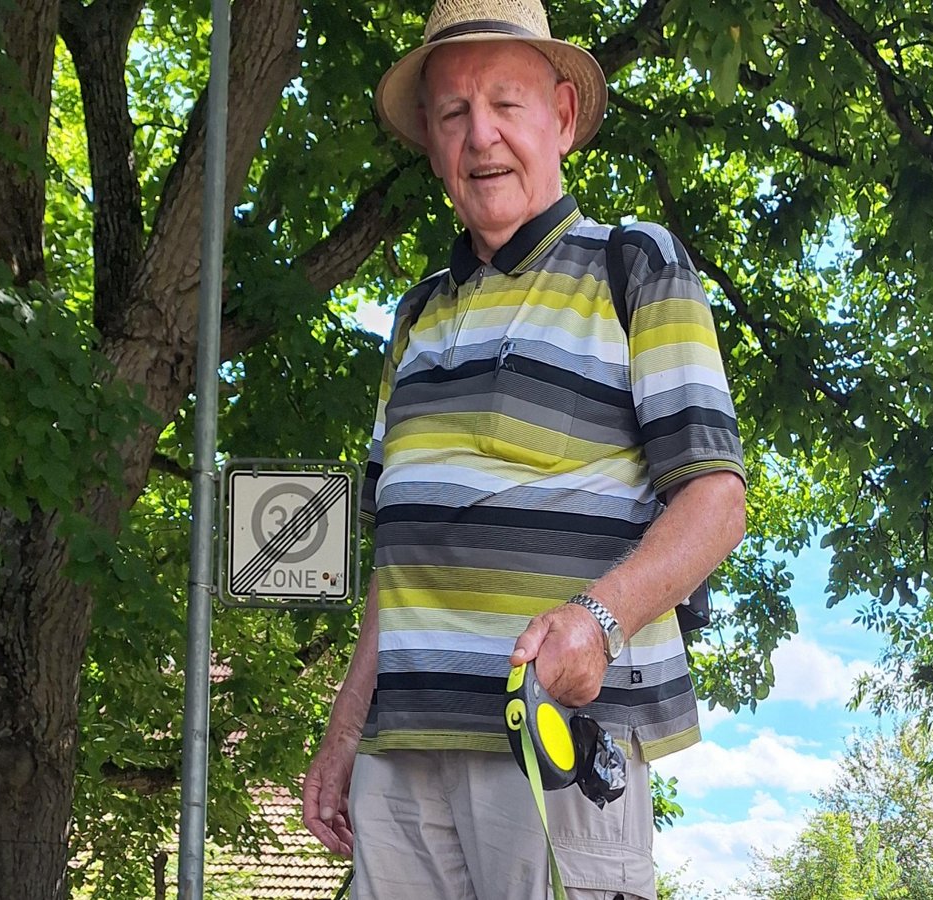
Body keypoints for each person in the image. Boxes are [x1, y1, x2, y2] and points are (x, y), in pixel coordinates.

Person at [301, 1, 747, 898]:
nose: (481, 137)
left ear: (563, 119)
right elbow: (399, 553)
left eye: (507, 104)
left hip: (552, 738)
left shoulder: (638, 266)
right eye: (454, 112)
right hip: (403, 749)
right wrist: (346, 726)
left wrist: (600, 618)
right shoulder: (416, 314)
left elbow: (717, 502)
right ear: (430, 138)